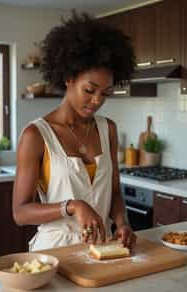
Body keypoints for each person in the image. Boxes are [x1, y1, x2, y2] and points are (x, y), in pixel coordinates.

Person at [13, 11, 137, 252]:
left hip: (104, 250)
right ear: (69, 78)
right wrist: (72, 206)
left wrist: (122, 223)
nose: (96, 101)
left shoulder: (107, 129)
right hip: (55, 253)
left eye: (106, 93)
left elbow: (113, 192)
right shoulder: (36, 135)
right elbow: (20, 213)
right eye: (90, 90)